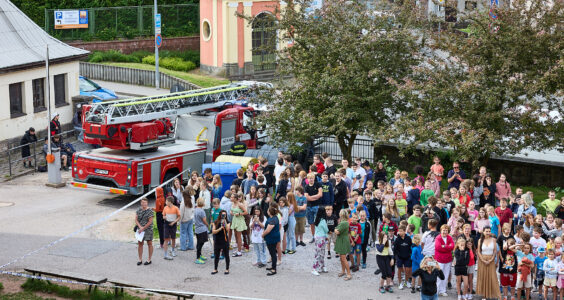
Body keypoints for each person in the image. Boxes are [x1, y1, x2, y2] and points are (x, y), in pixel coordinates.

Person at [476, 226, 501, 299]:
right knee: (483, 277)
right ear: (483, 232)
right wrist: (483, 260)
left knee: (492, 277)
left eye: (489, 231)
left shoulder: (493, 240)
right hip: (482, 260)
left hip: (491, 260)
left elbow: (495, 251)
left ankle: (493, 294)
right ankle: (484, 295)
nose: (488, 233)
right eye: (486, 231)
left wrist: (491, 260)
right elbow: (478, 252)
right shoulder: (480, 240)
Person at [434, 224, 454, 297]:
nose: (445, 232)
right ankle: (436, 290)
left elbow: (452, 246)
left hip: (448, 260)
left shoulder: (449, 237)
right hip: (440, 260)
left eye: (446, 230)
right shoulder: (438, 238)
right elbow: (439, 247)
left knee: (445, 275)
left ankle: (443, 290)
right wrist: (447, 247)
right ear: (441, 230)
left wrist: (444, 246)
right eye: (443, 230)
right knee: (439, 276)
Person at [211, 210, 231, 275]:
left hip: (224, 240)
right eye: (222, 215)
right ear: (220, 215)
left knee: (226, 255)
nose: (223, 216)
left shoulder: (227, 221)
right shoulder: (216, 222)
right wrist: (219, 229)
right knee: (216, 255)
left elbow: (228, 229)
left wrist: (224, 221)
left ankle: (227, 269)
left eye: (225, 215)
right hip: (217, 240)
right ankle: (215, 269)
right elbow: (213, 231)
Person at [305, 173, 323, 243]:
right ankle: (313, 236)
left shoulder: (318, 184)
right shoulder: (306, 186)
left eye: (312, 178)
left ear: (314, 178)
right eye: (309, 178)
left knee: (318, 222)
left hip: (316, 206)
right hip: (309, 207)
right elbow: (307, 197)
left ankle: (319, 236)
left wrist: (311, 197)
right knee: (311, 223)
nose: (311, 179)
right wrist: (316, 197)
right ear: (307, 179)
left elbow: (320, 194)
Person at [135, 198, 154, 265]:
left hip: (148, 229)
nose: (144, 204)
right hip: (140, 229)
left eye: (145, 202)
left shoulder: (150, 211)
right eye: (142, 202)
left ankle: (149, 259)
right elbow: (136, 220)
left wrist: (143, 228)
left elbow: (150, 222)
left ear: (147, 203)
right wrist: (140, 227)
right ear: (141, 203)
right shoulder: (138, 210)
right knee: (140, 244)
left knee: (149, 243)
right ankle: (140, 259)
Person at [335, 208, 352, 280]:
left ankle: (349, 274)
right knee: (341, 258)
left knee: (343, 258)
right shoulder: (344, 222)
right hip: (342, 240)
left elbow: (337, 232)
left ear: (341, 214)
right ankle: (343, 271)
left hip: (342, 241)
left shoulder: (343, 223)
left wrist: (335, 229)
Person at [263, 206, 280, 276]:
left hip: (272, 238)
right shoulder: (274, 218)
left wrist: (263, 234)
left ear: (270, 212)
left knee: (273, 253)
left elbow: (268, 229)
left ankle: (274, 269)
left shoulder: (273, 219)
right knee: (272, 253)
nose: (267, 211)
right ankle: (273, 266)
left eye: (268, 210)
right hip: (273, 237)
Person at [394, 225, 413, 290]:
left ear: (405, 231)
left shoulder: (408, 238)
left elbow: (411, 246)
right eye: (399, 231)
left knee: (407, 270)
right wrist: (396, 257)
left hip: (407, 256)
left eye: (401, 231)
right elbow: (395, 250)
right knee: (400, 270)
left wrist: (410, 254)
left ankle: (406, 281)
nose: (399, 232)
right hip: (399, 257)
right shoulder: (397, 239)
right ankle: (400, 283)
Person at [311, 206, 329, 276]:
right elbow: (326, 230)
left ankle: (321, 266)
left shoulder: (316, 219)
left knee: (318, 253)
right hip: (321, 238)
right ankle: (314, 268)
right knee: (321, 253)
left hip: (317, 237)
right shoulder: (323, 221)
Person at [162, 196, 180, 260]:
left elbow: (178, 216)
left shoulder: (176, 208)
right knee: (166, 239)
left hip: (173, 224)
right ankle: (165, 254)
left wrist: (174, 222)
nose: (165, 202)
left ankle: (172, 250)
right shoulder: (165, 208)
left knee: (173, 238)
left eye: (166, 201)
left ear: (170, 202)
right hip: (166, 224)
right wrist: (164, 217)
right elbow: (163, 215)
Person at [230, 192, 248, 257]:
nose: (231, 198)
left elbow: (246, 212)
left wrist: (240, 214)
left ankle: (239, 252)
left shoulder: (240, 204)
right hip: (235, 219)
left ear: (235, 198)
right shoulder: (232, 203)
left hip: (240, 220)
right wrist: (231, 212)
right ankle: (238, 249)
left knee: (239, 236)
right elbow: (231, 210)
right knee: (235, 235)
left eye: (232, 197)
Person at [194, 198, 209, 264]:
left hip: (197, 229)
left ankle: (200, 255)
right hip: (202, 229)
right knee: (201, 243)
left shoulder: (195, 210)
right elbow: (204, 220)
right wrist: (207, 225)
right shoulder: (202, 211)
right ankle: (197, 258)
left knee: (199, 243)